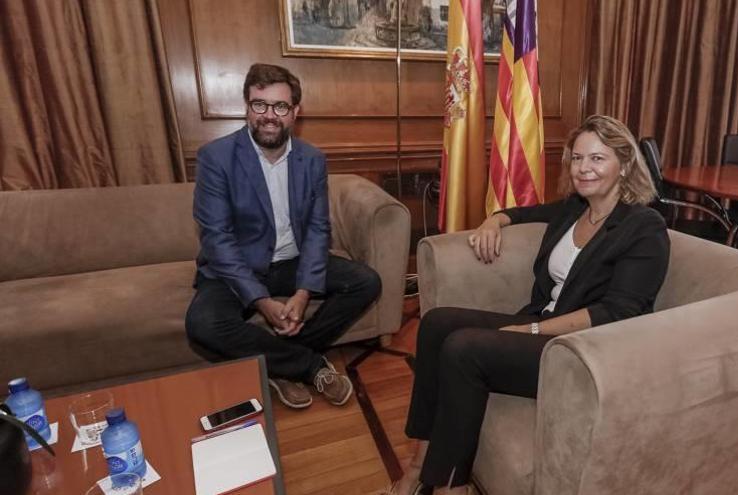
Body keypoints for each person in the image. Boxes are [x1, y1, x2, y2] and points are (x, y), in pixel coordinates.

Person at [386, 115, 671, 494]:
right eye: (577, 158)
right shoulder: (576, 208)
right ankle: (418, 466)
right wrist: (494, 220)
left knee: (463, 348)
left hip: (583, 350)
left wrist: (532, 329)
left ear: (625, 164)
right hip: (542, 323)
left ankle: (449, 486)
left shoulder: (644, 226)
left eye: (598, 159)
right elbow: (525, 213)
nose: (584, 168)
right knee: (437, 322)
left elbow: (618, 312)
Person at [185, 63, 381, 410]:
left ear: (295, 112)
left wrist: (304, 293)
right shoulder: (215, 158)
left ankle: (281, 361)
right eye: (259, 104)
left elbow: (319, 229)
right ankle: (307, 365)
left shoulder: (312, 159)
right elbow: (217, 239)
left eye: (280, 106)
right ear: (247, 107)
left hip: (290, 263)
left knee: (365, 281)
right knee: (203, 324)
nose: (269, 116)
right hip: (236, 268)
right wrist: (261, 301)